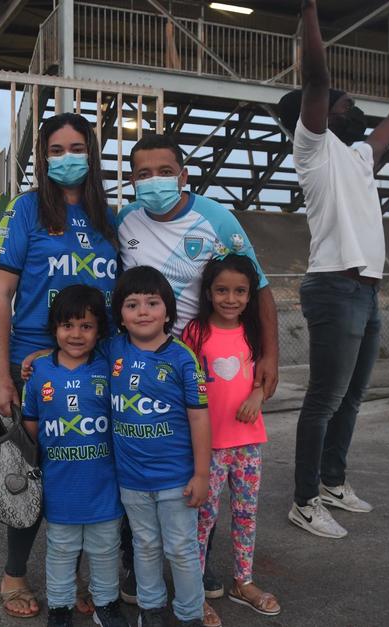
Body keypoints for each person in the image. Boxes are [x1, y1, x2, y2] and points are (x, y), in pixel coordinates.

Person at [276, 0, 389, 539]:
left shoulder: (357, 156)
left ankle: (333, 482)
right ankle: (304, 499)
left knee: (352, 396)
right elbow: (317, 75)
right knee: (324, 399)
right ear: (320, 111)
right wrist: (309, 10)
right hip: (334, 287)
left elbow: (380, 137)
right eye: (347, 104)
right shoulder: (312, 150)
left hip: (365, 290)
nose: (353, 110)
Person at [116, 133, 279, 600]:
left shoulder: (215, 219)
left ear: (183, 175)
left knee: (195, 467)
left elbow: (260, 286)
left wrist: (270, 355)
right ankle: (135, 562)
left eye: (164, 172)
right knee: (141, 461)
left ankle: (196, 561)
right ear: (132, 181)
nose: (154, 182)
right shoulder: (125, 220)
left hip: (195, 366)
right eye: (143, 174)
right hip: (140, 364)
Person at [0, 112, 117, 618]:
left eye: (77, 147)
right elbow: (0, 295)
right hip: (34, 366)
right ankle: (14, 574)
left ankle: (87, 576)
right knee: (33, 474)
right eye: (56, 150)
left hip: (98, 365)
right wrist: (2, 375)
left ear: (93, 153)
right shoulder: (24, 212)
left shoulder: (110, 216)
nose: (67, 158)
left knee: (94, 469)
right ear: (42, 159)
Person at [108, 266, 211, 627]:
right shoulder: (112, 350)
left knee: (181, 550)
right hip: (132, 480)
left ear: (168, 310)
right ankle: (151, 610)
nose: (143, 311)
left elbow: (200, 418)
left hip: (175, 480)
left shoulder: (183, 358)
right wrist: (35, 362)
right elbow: (72, 355)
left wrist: (201, 473)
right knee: (145, 546)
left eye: (152, 302)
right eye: (132, 304)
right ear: (120, 313)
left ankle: (189, 614)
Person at [182, 255, 281, 626]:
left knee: (246, 515)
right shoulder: (195, 333)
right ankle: (193, 593)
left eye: (240, 291)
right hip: (209, 445)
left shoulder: (254, 332)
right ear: (208, 292)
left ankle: (244, 581)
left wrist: (257, 395)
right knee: (203, 519)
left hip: (249, 442)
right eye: (222, 290)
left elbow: (260, 376)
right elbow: (185, 381)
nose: (230, 298)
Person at [21, 285, 128, 627]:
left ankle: (106, 605)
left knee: (105, 550)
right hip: (60, 485)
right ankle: (60, 608)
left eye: (86, 326)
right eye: (68, 326)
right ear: (54, 329)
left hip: (103, 485)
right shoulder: (40, 373)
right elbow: (31, 424)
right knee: (61, 551)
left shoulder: (108, 367)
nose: (76, 334)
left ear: (100, 331)